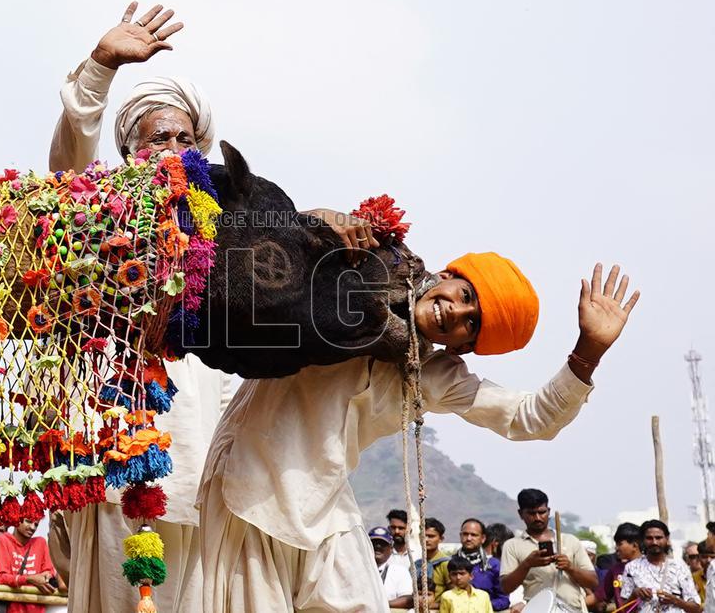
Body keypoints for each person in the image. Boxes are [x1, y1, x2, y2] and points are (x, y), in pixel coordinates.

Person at [199, 258, 638, 612]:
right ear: (445, 277)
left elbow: (530, 418)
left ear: (463, 347)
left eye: (472, 323)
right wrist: (330, 220)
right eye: (464, 295)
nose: (457, 311)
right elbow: (276, 259)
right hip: (247, 492)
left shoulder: (432, 375)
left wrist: (589, 351)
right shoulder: (351, 282)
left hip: (321, 508)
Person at [48, 1, 237, 613]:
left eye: (188, 139)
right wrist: (101, 66)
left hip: (200, 465)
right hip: (111, 455)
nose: (177, 149)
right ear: (132, 152)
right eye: (162, 138)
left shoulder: (223, 237)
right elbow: (67, 165)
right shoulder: (102, 213)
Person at [500, 489, 598, 611]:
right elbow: (505, 587)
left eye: (542, 512)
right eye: (531, 513)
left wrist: (569, 567)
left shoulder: (570, 540)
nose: (537, 518)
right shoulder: (512, 545)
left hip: (573, 609)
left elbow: (593, 582)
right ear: (520, 514)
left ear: (549, 511)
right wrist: (527, 564)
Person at [620, 520, 700, 613]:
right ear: (642, 540)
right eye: (649, 538)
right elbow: (624, 609)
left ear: (667, 539)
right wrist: (635, 594)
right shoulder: (631, 568)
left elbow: (696, 608)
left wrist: (675, 600)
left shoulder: (679, 566)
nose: (654, 542)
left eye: (658, 538)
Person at [434, 519, 509, 611]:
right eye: (465, 534)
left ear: (483, 538)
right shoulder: (448, 563)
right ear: (460, 536)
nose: (469, 538)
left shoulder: (493, 565)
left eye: (474, 535)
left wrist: (480, 604)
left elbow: (504, 599)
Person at [0, 517, 57, 613]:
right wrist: (29, 579)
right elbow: (1, 577)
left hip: (37, 609)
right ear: (16, 519)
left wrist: (46, 577)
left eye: (36, 524)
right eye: (29, 521)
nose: (33, 528)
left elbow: (49, 571)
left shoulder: (41, 542)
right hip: (11, 609)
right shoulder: (2, 540)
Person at [593, 522, 642, 611]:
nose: (616, 548)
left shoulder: (651, 567)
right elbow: (597, 597)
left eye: (620, 544)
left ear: (634, 546)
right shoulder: (615, 571)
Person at [369, 527, 414, 610]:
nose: (378, 546)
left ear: (391, 548)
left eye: (383, 543)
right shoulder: (356, 570)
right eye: (374, 543)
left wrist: (378, 604)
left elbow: (408, 599)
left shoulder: (400, 571)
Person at [421, 518, 451, 597]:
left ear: (441, 539)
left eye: (431, 536)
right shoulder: (416, 565)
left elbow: (453, 594)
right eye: (423, 536)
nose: (426, 540)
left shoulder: (447, 564)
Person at [696, 541, 713, 606]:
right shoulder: (692, 578)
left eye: (712, 557)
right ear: (699, 558)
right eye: (705, 557)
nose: (709, 560)